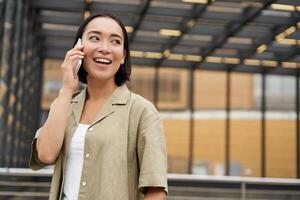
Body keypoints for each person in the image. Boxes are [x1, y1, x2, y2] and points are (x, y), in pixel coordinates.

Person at [29, 13, 168, 200]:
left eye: (115, 42)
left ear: (123, 56)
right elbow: (46, 155)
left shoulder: (142, 111)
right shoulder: (65, 104)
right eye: (95, 38)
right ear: (79, 48)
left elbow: (155, 191)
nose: (105, 48)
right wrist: (67, 89)